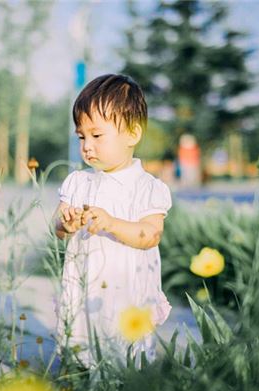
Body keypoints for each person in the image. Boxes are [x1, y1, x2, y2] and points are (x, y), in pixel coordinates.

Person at [54, 74, 172, 367]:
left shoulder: (147, 187)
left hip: (127, 292)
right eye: (81, 136)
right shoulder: (78, 182)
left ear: (132, 134)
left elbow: (150, 235)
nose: (87, 146)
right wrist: (65, 223)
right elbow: (57, 227)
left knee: (126, 357)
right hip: (85, 289)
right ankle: (80, 372)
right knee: (83, 348)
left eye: (96, 135)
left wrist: (111, 223)